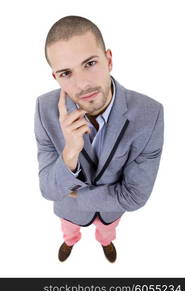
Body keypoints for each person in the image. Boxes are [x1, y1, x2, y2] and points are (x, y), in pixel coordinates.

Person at [34, 15, 164, 263]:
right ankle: (70, 241)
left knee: (107, 232)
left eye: (90, 63)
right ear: (56, 77)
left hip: (110, 212)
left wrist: (75, 194)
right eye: (66, 73)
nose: (82, 84)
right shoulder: (44, 108)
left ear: (109, 59)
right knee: (69, 229)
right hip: (68, 211)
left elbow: (135, 196)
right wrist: (70, 152)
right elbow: (48, 189)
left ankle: (105, 242)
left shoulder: (151, 114)